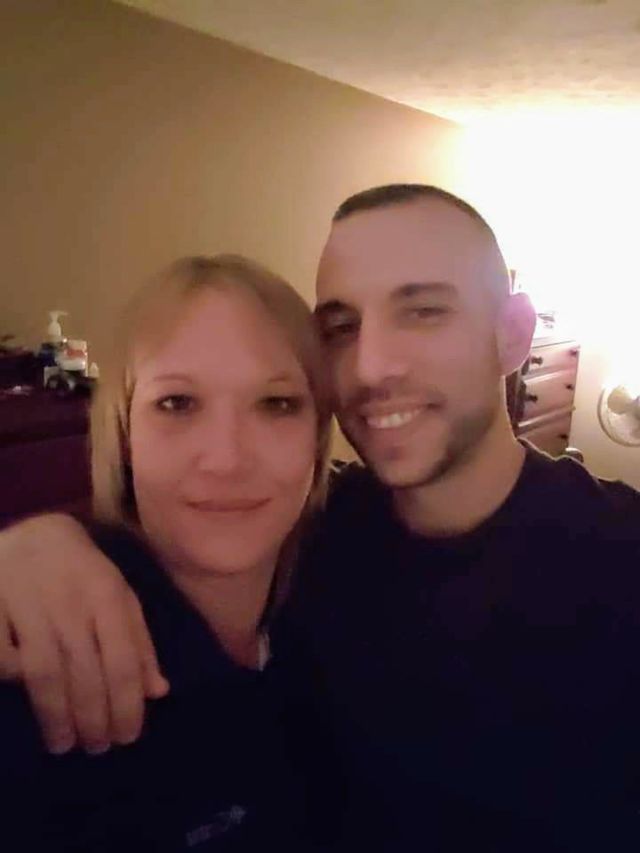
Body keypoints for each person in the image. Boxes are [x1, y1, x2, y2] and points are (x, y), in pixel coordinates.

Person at [2, 184, 640, 851]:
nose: (372, 366)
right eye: (341, 328)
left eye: (423, 311)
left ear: (511, 335)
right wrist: (38, 544)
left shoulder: (620, 561)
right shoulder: (311, 536)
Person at [0, 254, 337, 851]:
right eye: (177, 403)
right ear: (124, 434)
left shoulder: (343, 578)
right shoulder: (49, 668)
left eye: (276, 404)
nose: (226, 459)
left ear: (318, 435)